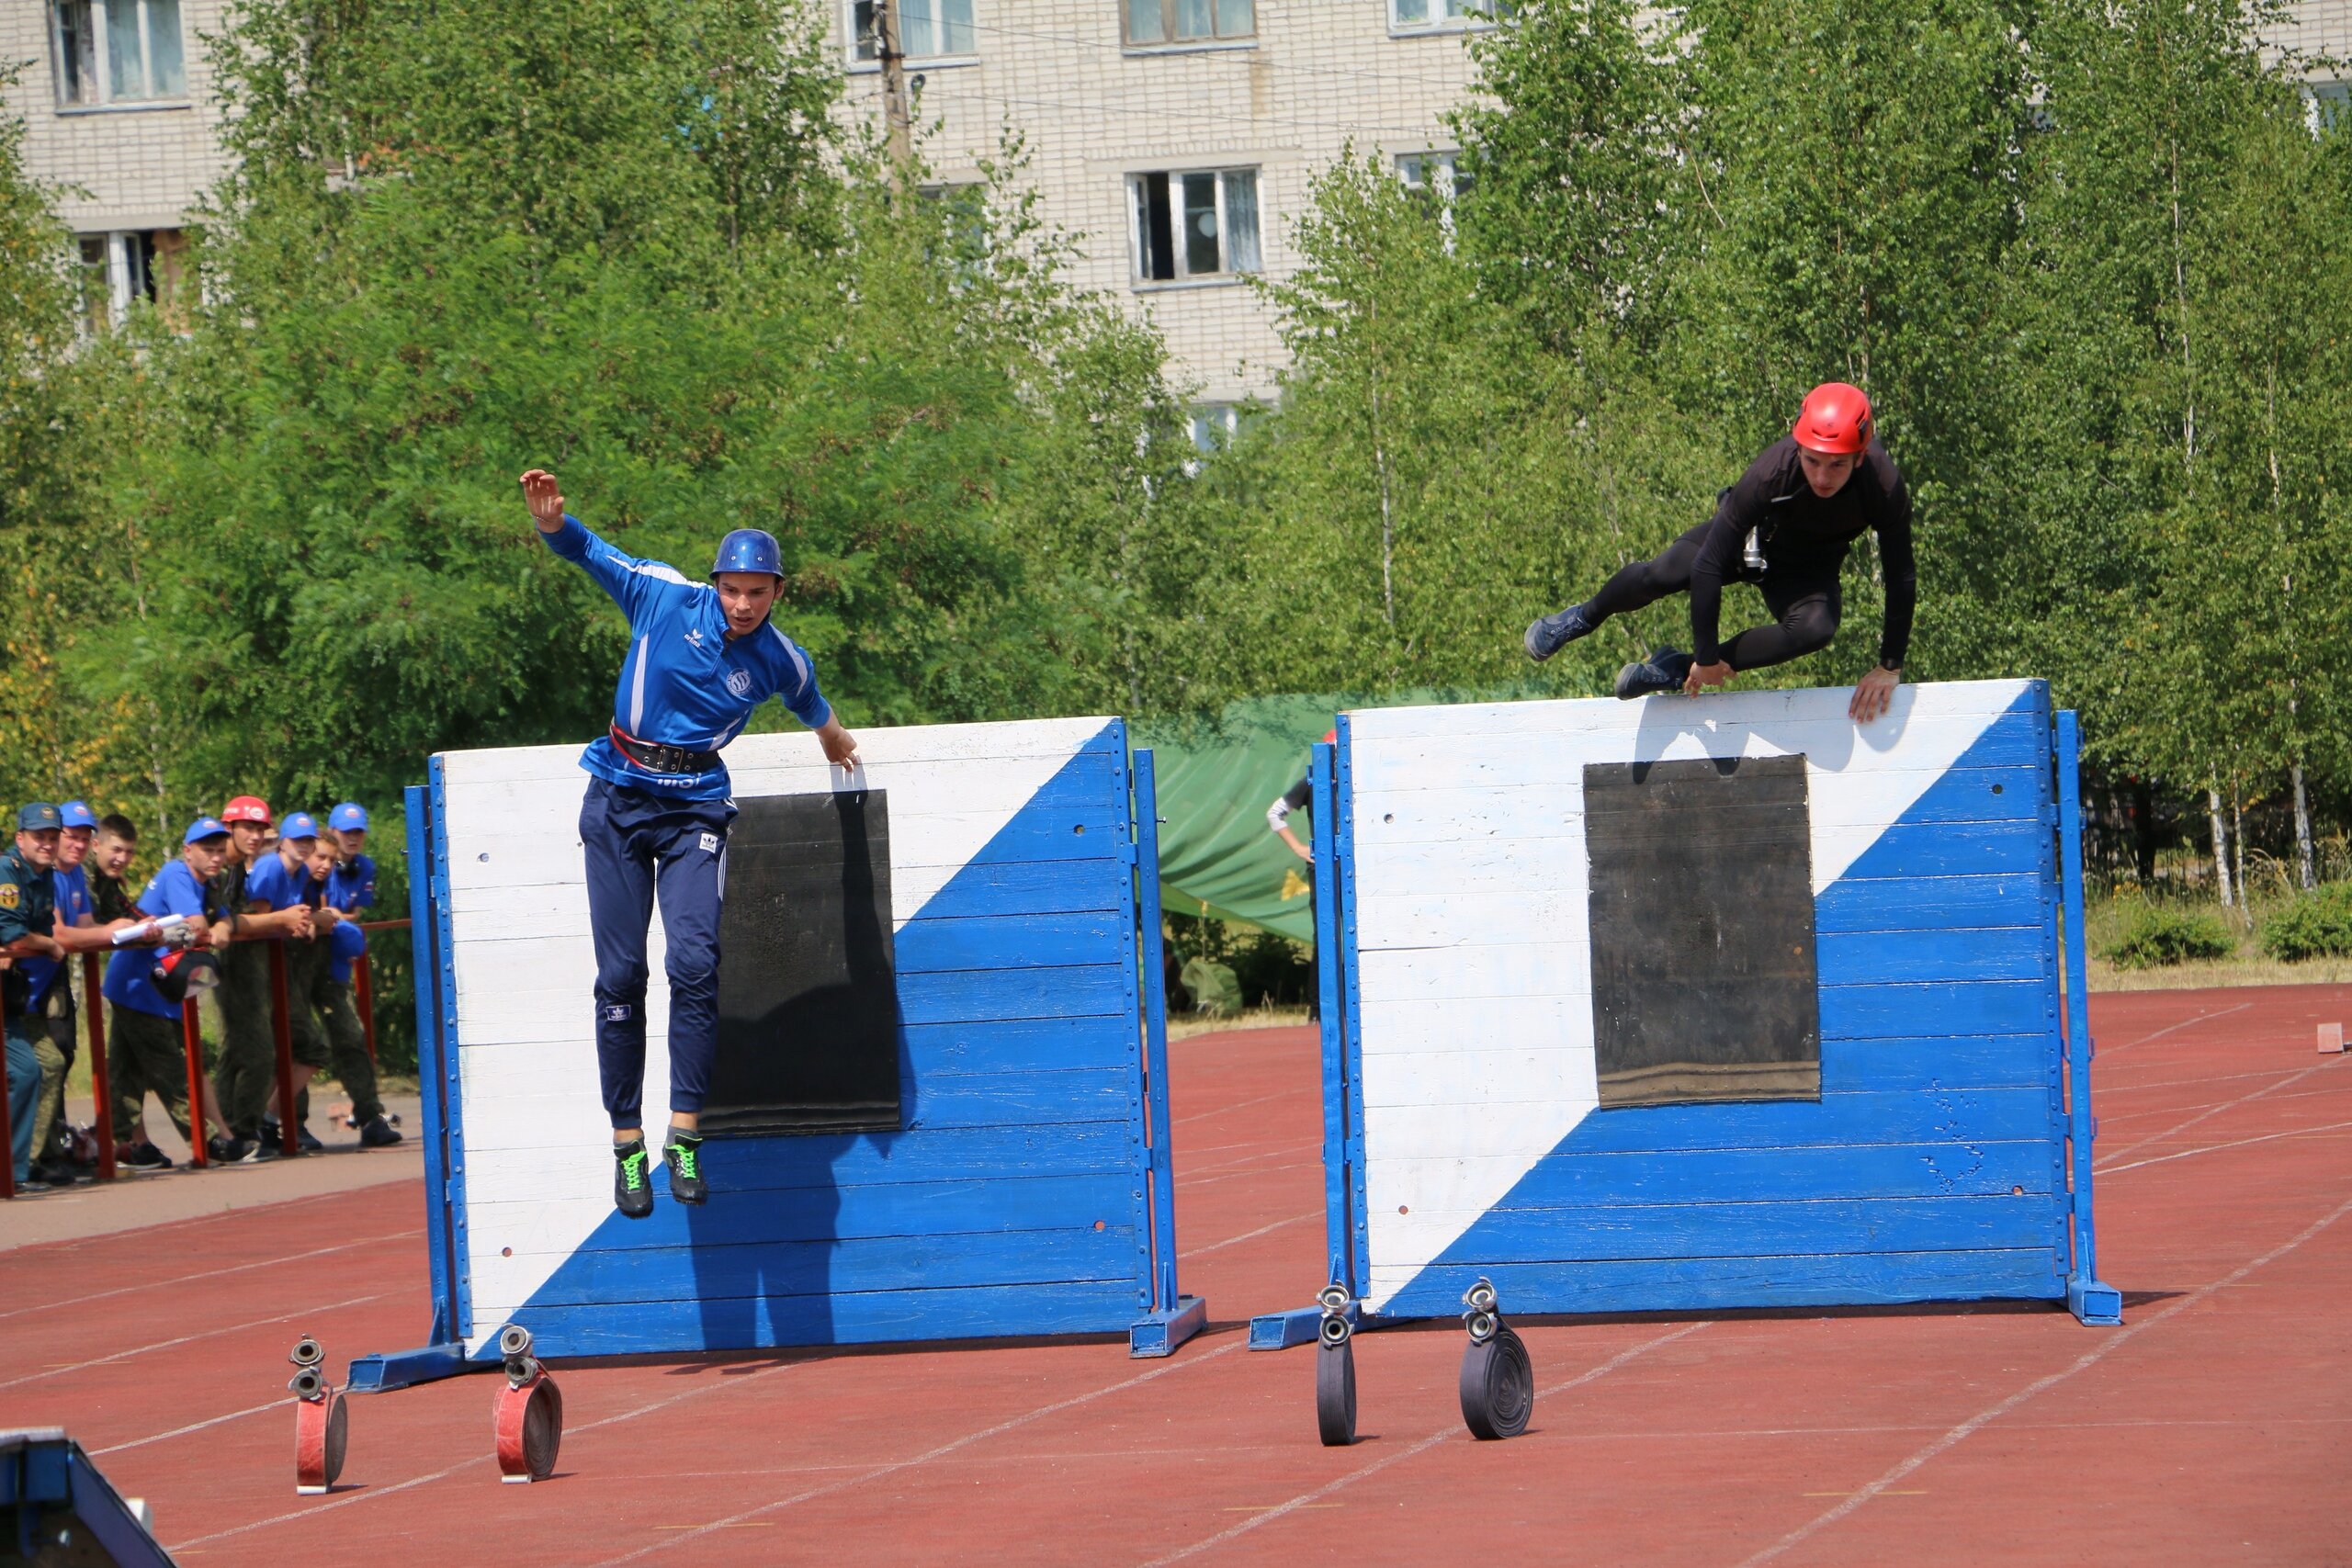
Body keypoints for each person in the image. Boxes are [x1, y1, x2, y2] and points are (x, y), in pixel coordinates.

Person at [519, 467, 860, 1218]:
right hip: (616, 795)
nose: (743, 603)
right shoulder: (664, 596)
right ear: (715, 583)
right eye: (732, 588)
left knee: (696, 961)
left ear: (778, 591)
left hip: (694, 808)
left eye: (758, 591)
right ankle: (626, 1145)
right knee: (620, 975)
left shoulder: (778, 656)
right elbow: (591, 552)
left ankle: (685, 1135)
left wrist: (835, 739)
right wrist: (551, 522)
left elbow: (812, 702)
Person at [1523, 382, 1917, 725]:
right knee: (1662, 574)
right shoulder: (1771, 472)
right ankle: (1581, 618)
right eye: (1812, 461)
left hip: (1808, 571)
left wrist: (1889, 666)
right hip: (1747, 542)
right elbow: (1708, 564)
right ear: (1798, 446)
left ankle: (1676, 667)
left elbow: (1900, 575)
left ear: (1860, 457)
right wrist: (1709, 654)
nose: (1821, 477)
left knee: (1817, 628)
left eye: (1837, 466)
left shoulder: (1883, 487)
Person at [102, 817, 247, 1166]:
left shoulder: (209, 882)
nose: (215, 857)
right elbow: (196, 924)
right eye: (206, 850)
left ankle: (126, 1144)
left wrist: (224, 926)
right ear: (187, 851)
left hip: (158, 989)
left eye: (219, 850)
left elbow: (223, 918)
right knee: (171, 1068)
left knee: (126, 1072)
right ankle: (209, 1140)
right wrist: (214, 928)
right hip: (140, 986)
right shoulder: (178, 873)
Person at [212, 795, 313, 1156]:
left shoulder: (240, 865)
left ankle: (225, 1133)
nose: (255, 836)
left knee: (240, 1050)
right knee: (256, 1052)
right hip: (217, 962)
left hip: (240, 962)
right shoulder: (219, 863)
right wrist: (280, 919)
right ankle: (242, 1131)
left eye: (260, 828)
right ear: (230, 828)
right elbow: (219, 922)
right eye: (247, 828)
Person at [297, 831, 400, 1147]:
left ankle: (370, 1116)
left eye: (331, 858)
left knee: (350, 1034)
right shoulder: (287, 875)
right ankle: (289, 1123)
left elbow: (344, 917)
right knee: (296, 1039)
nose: (327, 864)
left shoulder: (345, 872)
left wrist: (330, 918)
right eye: (320, 857)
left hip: (327, 965)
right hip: (291, 964)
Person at [245, 812, 334, 1151]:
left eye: (308, 841)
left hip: (279, 968)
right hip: (260, 968)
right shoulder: (272, 867)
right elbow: (260, 918)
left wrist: (311, 921)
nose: (304, 846)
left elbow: (297, 916)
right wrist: (294, 924)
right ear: (282, 841)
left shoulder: (298, 874)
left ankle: (265, 1121)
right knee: (304, 1047)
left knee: (295, 1048)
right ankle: (259, 1123)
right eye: (298, 840)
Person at [22, 802, 97, 1185]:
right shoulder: (22, 874)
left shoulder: (69, 877)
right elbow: (61, 934)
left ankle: (44, 1154)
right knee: (37, 1067)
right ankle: (31, 1159)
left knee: (56, 1059)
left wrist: (121, 930)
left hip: (40, 987)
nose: (75, 845)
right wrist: (113, 930)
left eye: (85, 839)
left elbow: (81, 929)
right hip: (21, 986)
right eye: (70, 836)